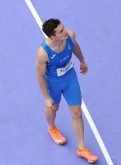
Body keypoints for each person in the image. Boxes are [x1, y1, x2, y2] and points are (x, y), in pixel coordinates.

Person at [35, 19, 98, 163]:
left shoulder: (70, 35)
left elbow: (74, 47)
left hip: (70, 80)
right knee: (53, 108)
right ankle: (52, 128)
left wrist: (82, 60)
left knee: (77, 113)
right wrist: (46, 97)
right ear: (52, 37)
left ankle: (81, 149)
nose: (66, 32)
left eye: (63, 28)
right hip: (54, 84)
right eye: (61, 31)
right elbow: (40, 75)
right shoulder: (43, 53)